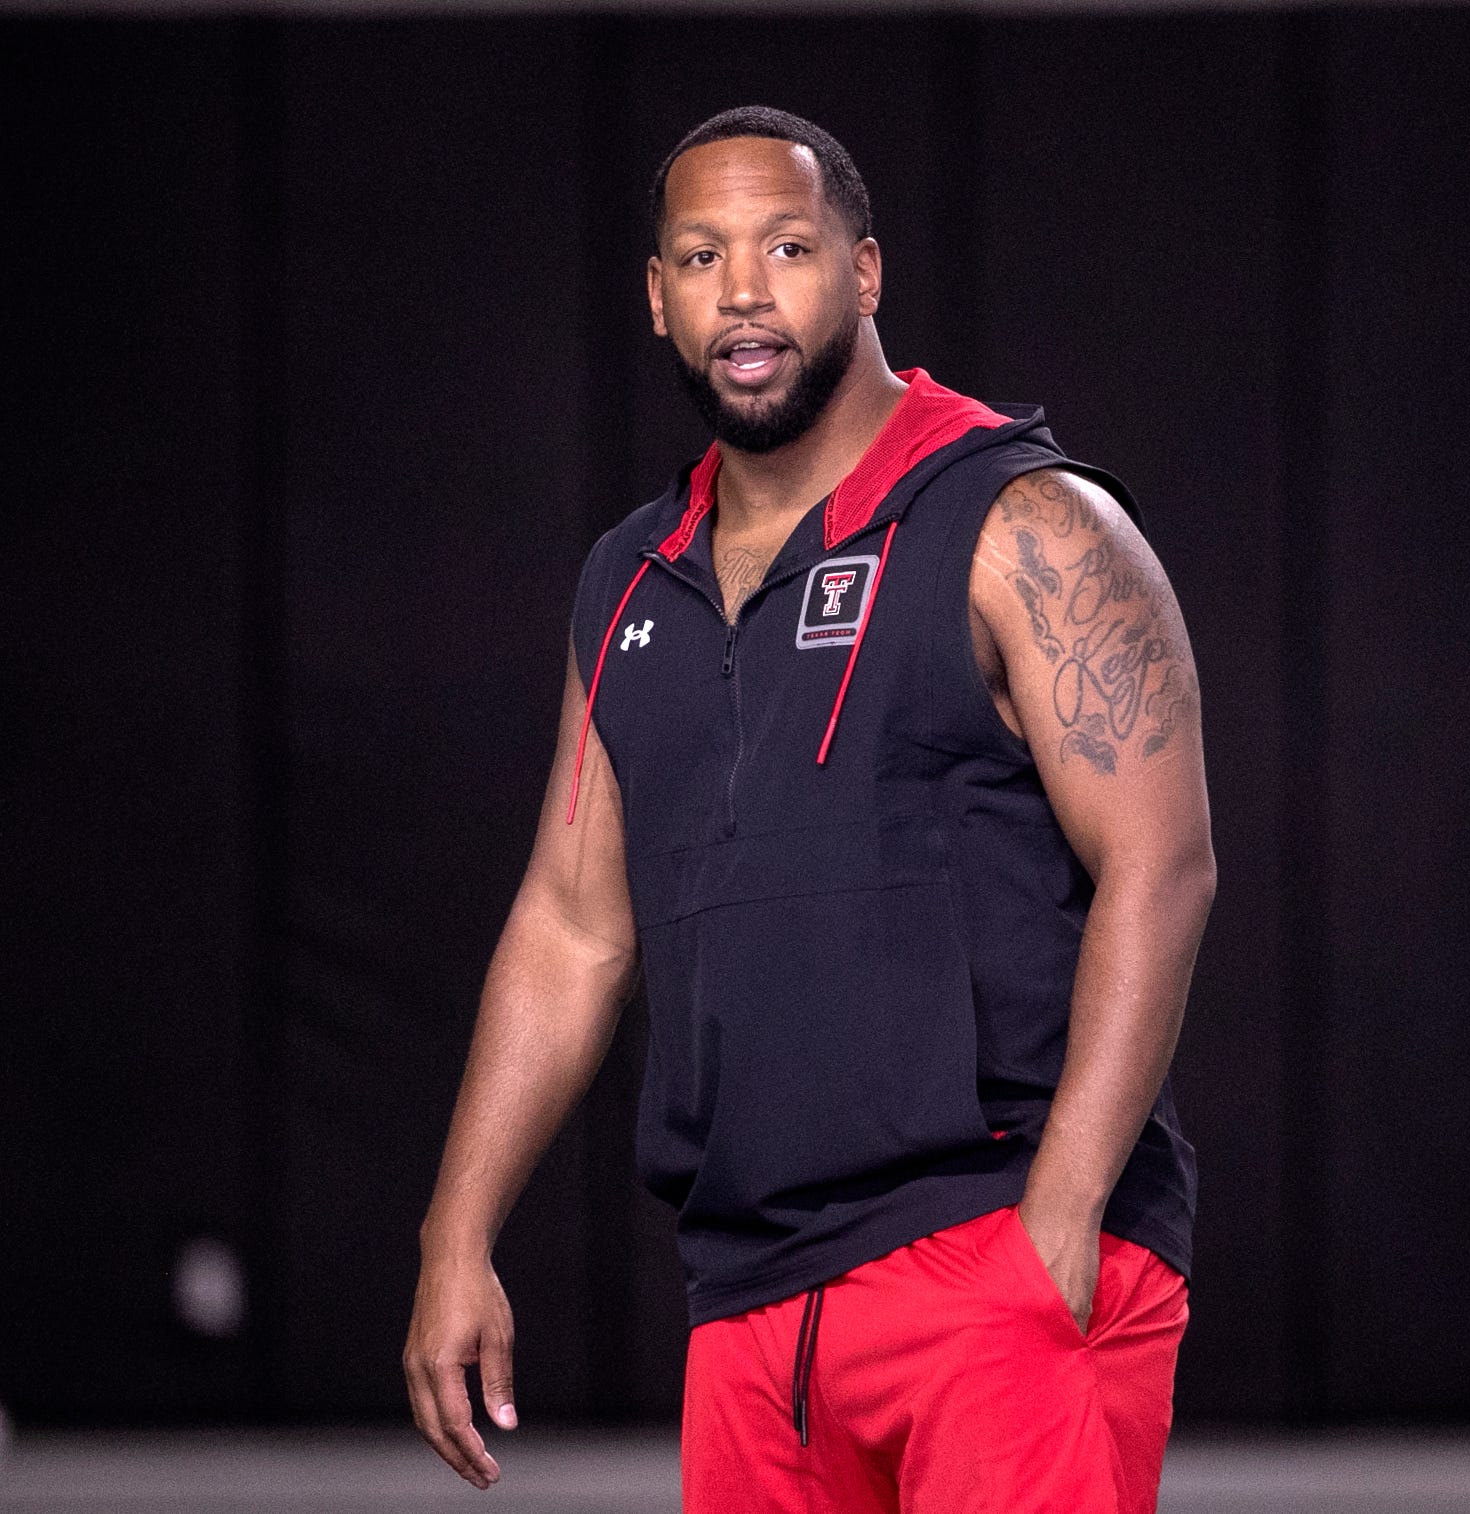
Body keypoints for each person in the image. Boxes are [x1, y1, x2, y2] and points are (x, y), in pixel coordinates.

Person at [402, 105, 1213, 1514]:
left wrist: (1062, 1220)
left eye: (788, 246)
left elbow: (1166, 864)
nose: (745, 289)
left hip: (994, 1251)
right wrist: (454, 1235)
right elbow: (570, 925)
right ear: (658, 301)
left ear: (866, 271)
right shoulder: (630, 579)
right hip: (752, 1302)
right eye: (704, 256)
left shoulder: (1026, 522)